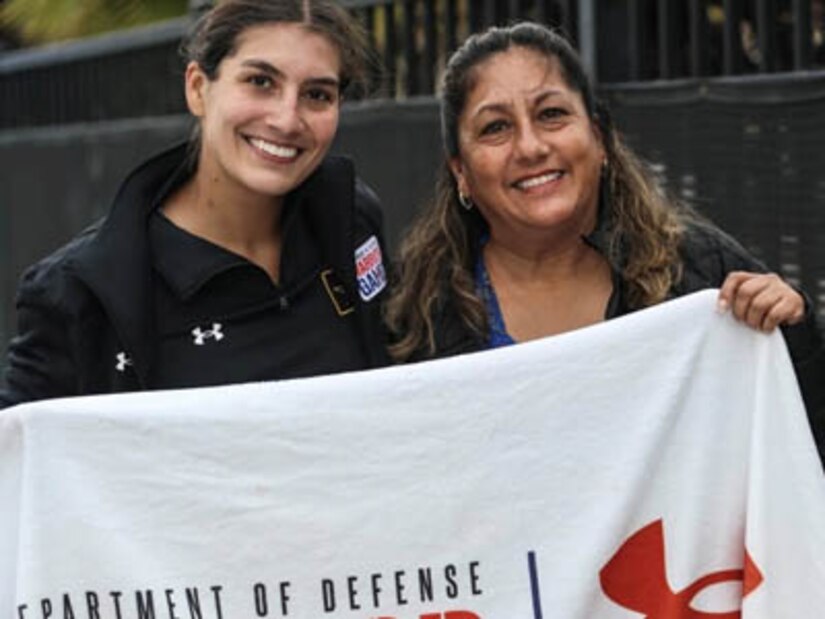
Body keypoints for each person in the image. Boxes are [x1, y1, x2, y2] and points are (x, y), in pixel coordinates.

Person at [385, 22, 824, 454]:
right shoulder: (413, 313)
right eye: (495, 128)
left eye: (551, 114)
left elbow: (799, 443)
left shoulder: (700, 272)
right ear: (461, 171)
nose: (531, 147)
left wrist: (793, 331)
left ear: (599, 139)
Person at [0, 0, 390, 407]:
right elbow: (20, 445)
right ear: (198, 88)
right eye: (260, 81)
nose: (287, 119)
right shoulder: (83, 291)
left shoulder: (351, 220)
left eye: (317, 94)